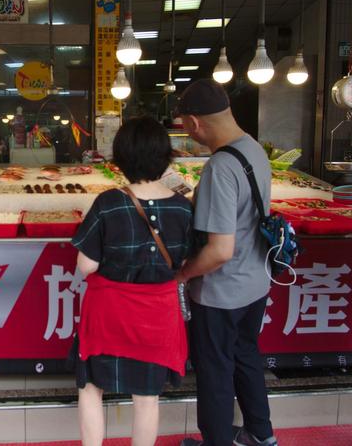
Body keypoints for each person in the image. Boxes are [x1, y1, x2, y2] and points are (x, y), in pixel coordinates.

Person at [71, 116, 193, 446]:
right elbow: (183, 263)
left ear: (120, 159)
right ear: (166, 157)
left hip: (110, 314)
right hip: (157, 317)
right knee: (147, 397)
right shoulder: (183, 207)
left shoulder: (109, 203)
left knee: (92, 387)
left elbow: (86, 266)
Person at [175, 79, 277, 446]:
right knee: (246, 357)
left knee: (215, 372)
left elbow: (219, 251)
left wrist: (182, 275)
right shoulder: (253, 148)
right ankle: (261, 435)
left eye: (184, 124)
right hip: (255, 282)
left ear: (194, 123)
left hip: (221, 292)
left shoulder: (220, 166)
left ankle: (216, 441)